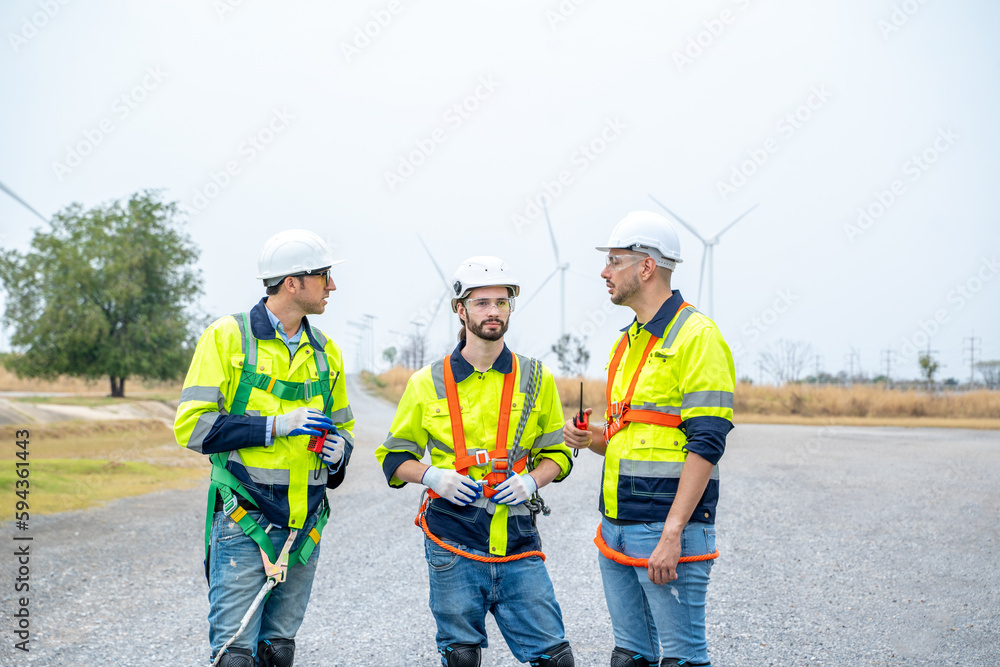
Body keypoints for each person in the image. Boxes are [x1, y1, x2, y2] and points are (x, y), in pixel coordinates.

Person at [375, 256, 576, 667]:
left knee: (556, 658)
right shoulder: (425, 382)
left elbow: (556, 453)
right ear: (460, 310)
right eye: (482, 303)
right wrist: (433, 475)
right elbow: (394, 459)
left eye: (502, 302)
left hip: (517, 540)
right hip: (453, 540)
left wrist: (533, 481)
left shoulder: (536, 377)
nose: (494, 311)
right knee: (461, 656)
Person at [174, 229, 355, 667]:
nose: (332, 286)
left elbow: (345, 430)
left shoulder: (326, 352)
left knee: (277, 652)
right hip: (244, 519)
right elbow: (193, 427)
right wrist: (276, 426)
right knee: (235, 654)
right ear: (292, 282)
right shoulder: (228, 337)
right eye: (324, 276)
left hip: (305, 525)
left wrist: (339, 453)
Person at [563, 212, 735, 667]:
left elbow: (707, 442)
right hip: (617, 526)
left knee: (682, 659)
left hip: (665, 531)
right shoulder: (628, 341)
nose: (604, 272)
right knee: (630, 658)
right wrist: (594, 438)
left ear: (646, 268)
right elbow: (633, 436)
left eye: (614, 261)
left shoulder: (698, 337)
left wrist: (673, 533)